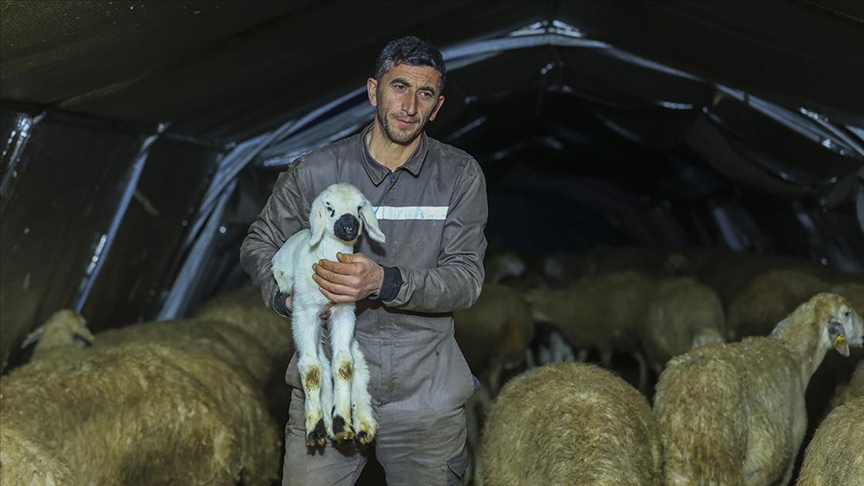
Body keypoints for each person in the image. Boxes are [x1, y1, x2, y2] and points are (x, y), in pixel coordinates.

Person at [239, 35, 488, 486]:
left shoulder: (458, 176)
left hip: (423, 402)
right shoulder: (316, 171)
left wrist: (384, 282)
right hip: (328, 391)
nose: (409, 105)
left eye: (425, 93)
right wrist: (286, 296)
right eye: (399, 87)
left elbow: (466, 279)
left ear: (438, 105)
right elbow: (259, 242)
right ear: (373, 90)